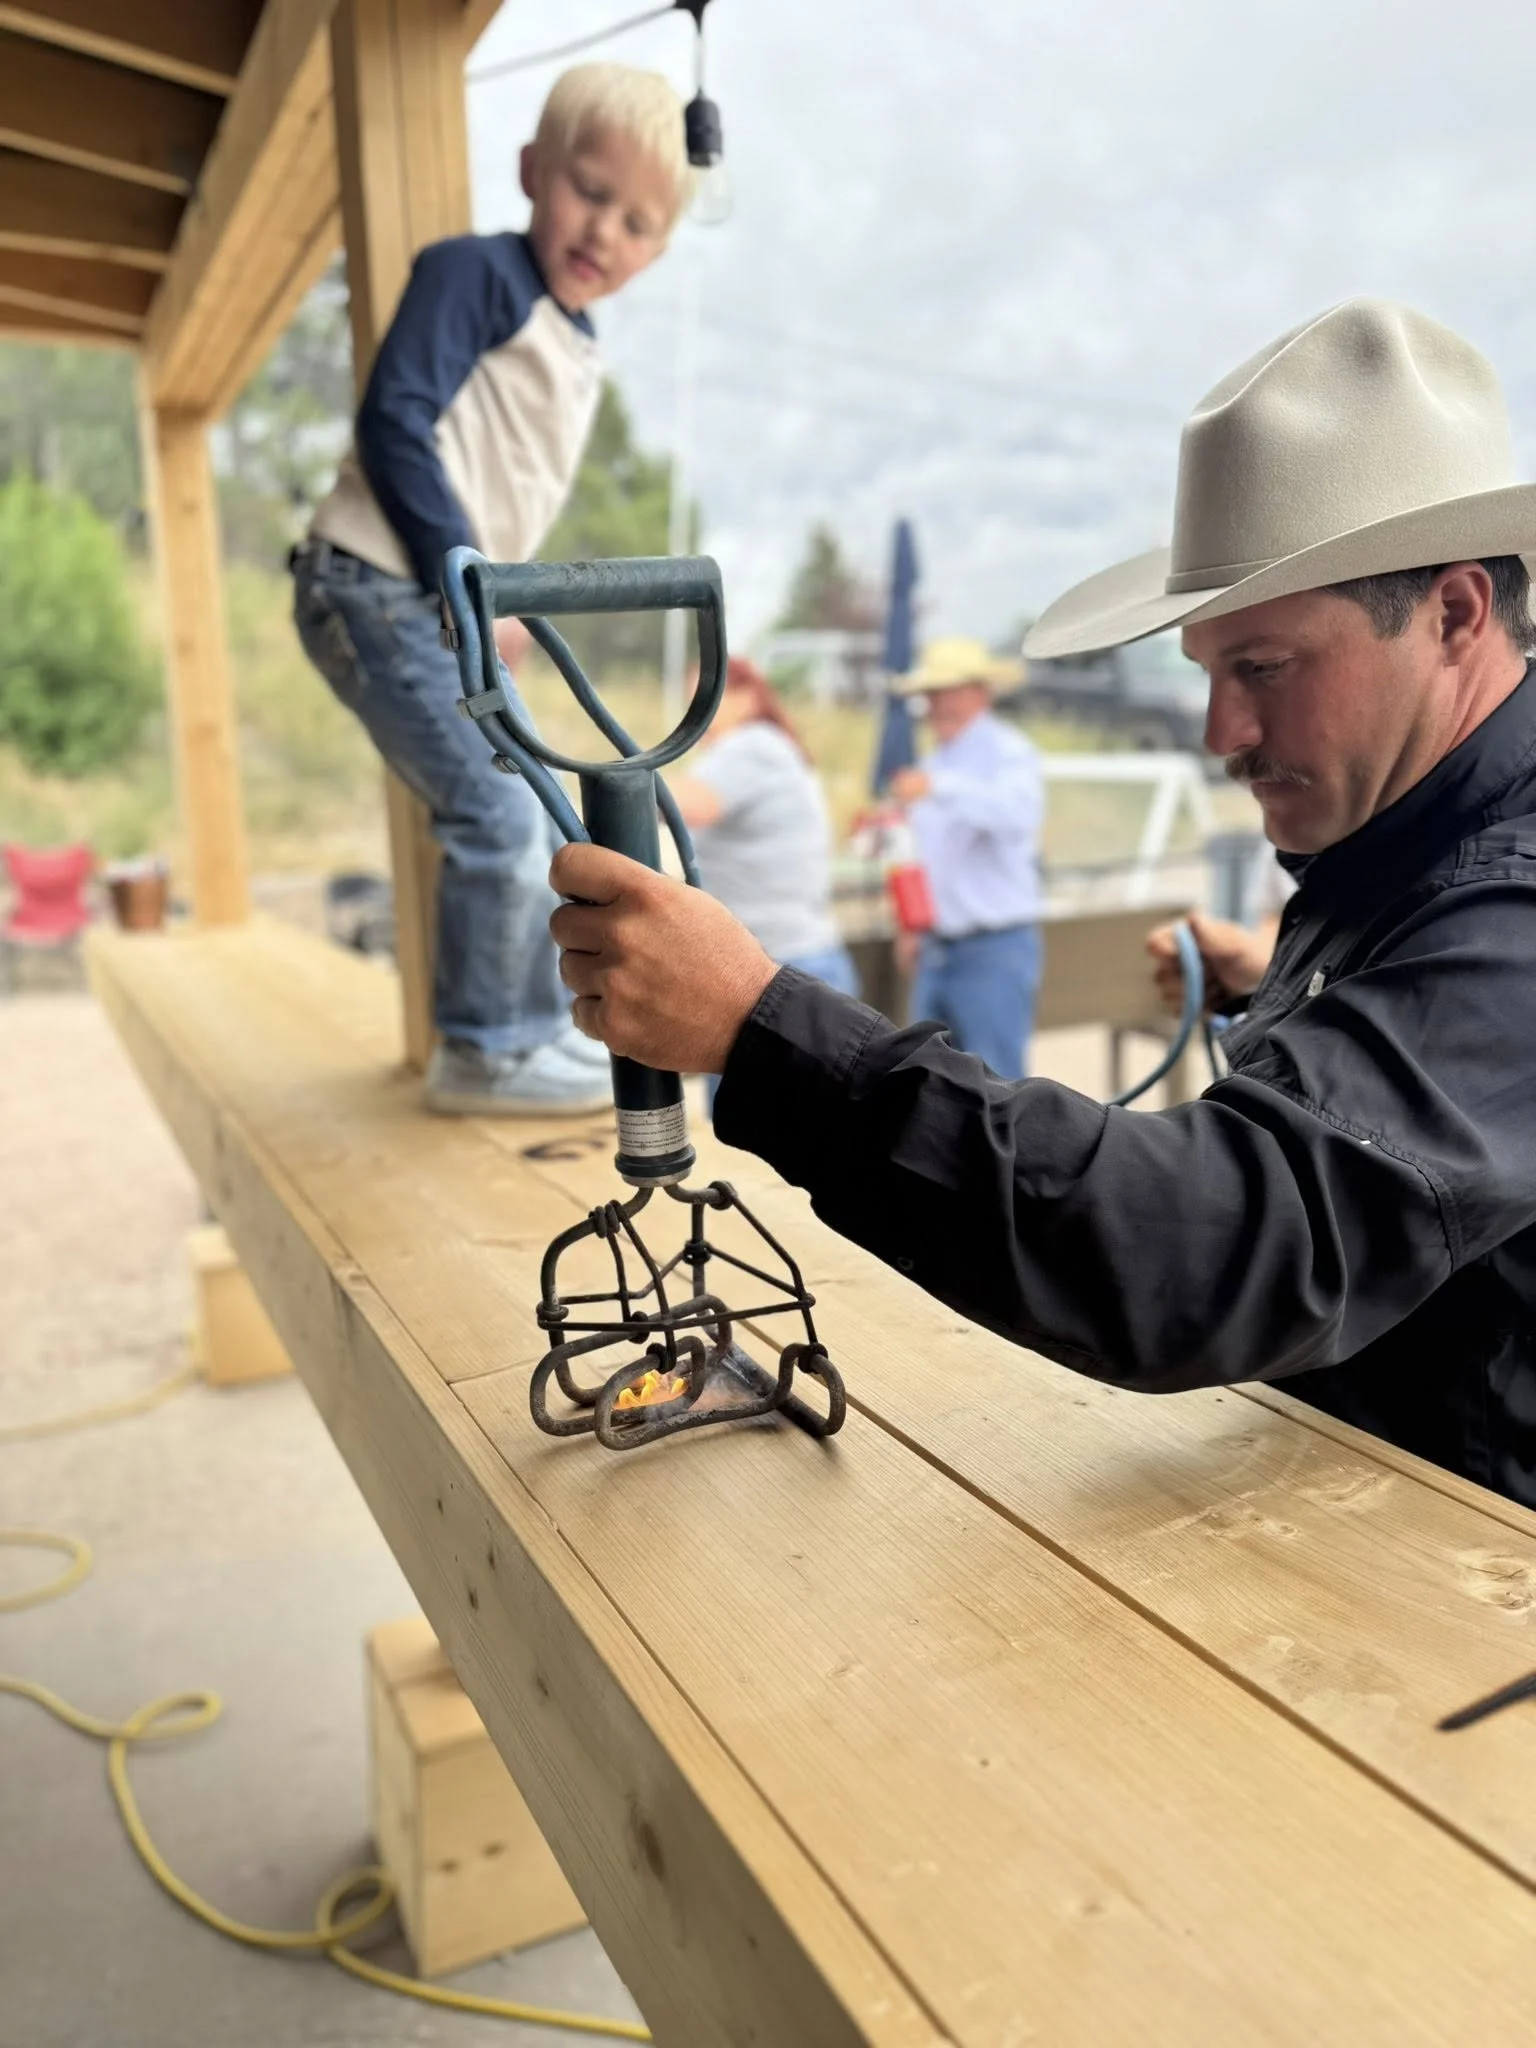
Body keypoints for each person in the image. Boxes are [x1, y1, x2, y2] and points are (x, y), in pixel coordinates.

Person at [542, 297, 1536, 1510]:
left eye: (1264, 667)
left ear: (1455, 613)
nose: (1221, 733)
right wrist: (1268, 988)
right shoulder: (1406, 835)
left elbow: (1214, 1251)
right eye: (1211, 673)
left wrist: (758, 1027)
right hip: (1337, 1488)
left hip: (1465, 1598)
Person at [290, 64, 689, 1116]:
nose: (607, 231)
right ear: (532, 172)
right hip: (373, 582)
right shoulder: (476, 275)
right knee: (492, 813)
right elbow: (395, 422)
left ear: (658, 249)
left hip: (434, 599)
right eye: (591, 192)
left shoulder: (572, 335)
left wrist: (491, 603)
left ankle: (521, 1033)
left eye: (639, 223)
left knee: (536, 808)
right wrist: (464, 573)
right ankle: (481, 1048)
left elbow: (497, 470)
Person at [667, 657, 857, 1111]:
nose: (697, 711)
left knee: (764, 1141)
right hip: (788, 968)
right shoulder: (766, 749)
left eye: (708, 695)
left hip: (781, 975)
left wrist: (599, 779)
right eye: (689, 698)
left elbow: (688, 803)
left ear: (749, 697)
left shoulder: (752, 746)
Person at [885, 637, 1044, 1079]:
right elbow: (928, 856)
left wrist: (938, 790)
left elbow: (1018, 815)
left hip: (992, 948)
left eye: (947, 691)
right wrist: (912, 926)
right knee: (934, 1081)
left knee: (997, 1086)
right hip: (941, 947)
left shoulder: (1009, 752)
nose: (936, 703)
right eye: (932, 693)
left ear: (981, 692)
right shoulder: (937, 761)